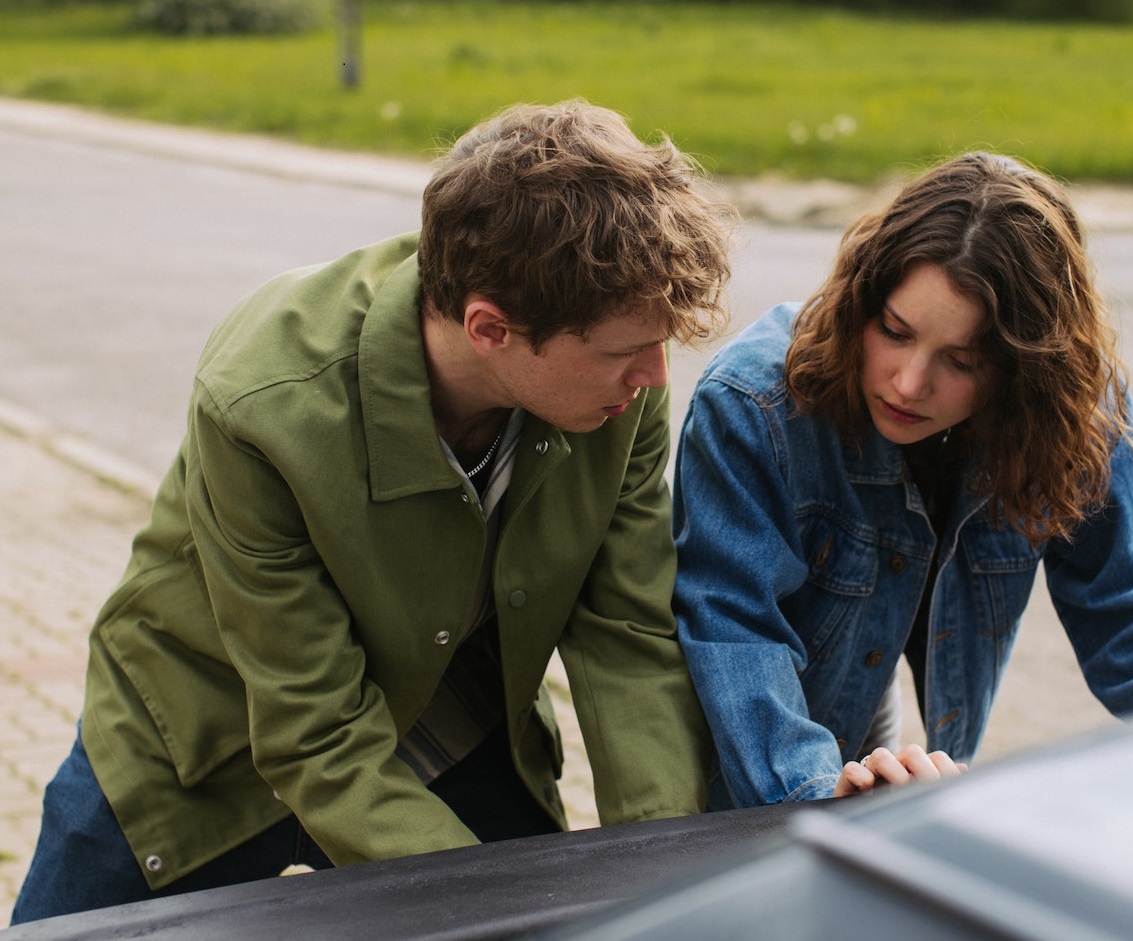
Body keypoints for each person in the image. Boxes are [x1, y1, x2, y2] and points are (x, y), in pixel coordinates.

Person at [12, 100, 731, 923]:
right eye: (622, 351)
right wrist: (480, 908)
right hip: (209, 735)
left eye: (660, 342)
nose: (652, 375)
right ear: (490, 327)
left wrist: (667, 875)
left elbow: (627, 636)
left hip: (449, 719)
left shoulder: (622, 390)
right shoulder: (263, 402)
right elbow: (313, 729)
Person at [671, 151, 1133, 811]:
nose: (909, 382)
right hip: (749, 755)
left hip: (871, 728)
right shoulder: (755, 403)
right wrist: (811, 790)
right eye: (894, 331)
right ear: (860, 301)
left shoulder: (1068, 410)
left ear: (1021, 369)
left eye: (961, 360)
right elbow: (735, 624)